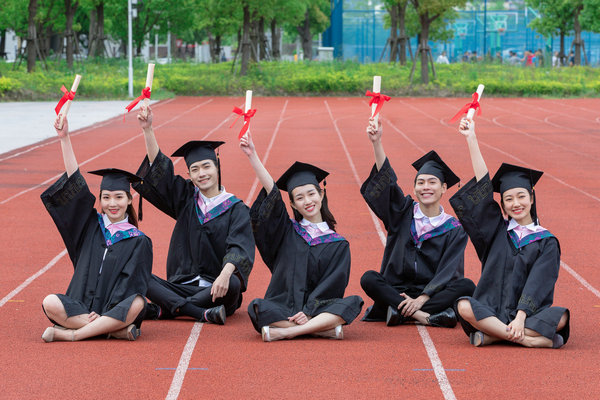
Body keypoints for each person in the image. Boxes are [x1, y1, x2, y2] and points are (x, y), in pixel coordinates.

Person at [450, 117, 570, 348]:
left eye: (521, 196)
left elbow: (540, 282)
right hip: (491, 309)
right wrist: (471, 138)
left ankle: (494, 335)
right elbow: (484, 190)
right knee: (464, 306)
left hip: (527, 315)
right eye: (509, 199)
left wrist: (521, 315)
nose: (516, 203)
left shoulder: (547, 241)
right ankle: (529, 341)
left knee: (561, 317)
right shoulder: (496, 231)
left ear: (532, 198)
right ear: (502, 205)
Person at [132, 105, 255, 324]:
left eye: (206, 166)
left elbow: (240, 246)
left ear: (217, 167)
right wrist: (148, 129)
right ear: (189, 173)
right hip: (182, 284)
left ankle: (168, 308)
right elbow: (162, 175)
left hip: (217, 288)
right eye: (195, 169)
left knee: (234, 284)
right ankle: (196, 311)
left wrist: (225, 275)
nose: (202, 173)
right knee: (137, 272)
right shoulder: (187, 198)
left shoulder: (236, 208)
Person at [239, 132, 363, 342]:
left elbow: (333, 286)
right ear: (293, 205)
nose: (307, 201)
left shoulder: (338, 244)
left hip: (318, 309)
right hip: (284, 305)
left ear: (321, 195)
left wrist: (309, 311)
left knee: (353, 302)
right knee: (257, 307)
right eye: (299, 197)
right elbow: (273, 196)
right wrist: (253, 156)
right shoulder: (287, 232)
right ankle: (321, 329)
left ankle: (288, 331)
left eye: (311, 194)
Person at [40, 116, 152, 342]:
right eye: (107, 197)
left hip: (114, 308)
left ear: (130, 200)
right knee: (50, 302)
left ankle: (73, 335)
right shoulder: (90, 225)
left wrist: (108, 310)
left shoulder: (139, 241)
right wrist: (65, 139)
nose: (113, 203)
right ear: (100, 199)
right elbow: (75, 184)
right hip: (81, 304)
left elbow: (131, 283)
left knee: (138, 302)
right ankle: (112, 330)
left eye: (119, 197)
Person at [359, 119, 475, 328]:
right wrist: (377, 142)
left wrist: (423, 298)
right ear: (414, 189)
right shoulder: (402, 213)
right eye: (420, 183)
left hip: (430, 293)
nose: (425, 187)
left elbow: (449, 270)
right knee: (368, 278)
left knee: (466, 285)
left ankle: (399, 311)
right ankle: (424, 317)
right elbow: (388, 184)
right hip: (396, 287)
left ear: (444, 188)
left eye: (432, 182)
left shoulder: (454, 229)